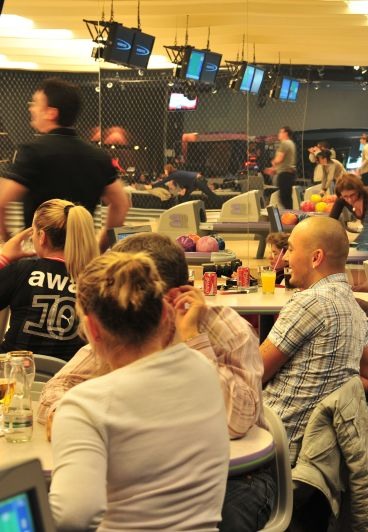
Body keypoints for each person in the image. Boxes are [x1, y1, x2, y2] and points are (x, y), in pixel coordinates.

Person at [38, 232, 272, 532]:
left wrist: (192, 338)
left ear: (173, 298)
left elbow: (236, 422)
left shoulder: (223, 336)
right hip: (158, 477)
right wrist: (71, 423)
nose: (128, 304)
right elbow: (56, 389)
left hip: (239, 473)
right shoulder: (131, 330)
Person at [260, 216, 368, 463]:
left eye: (291, 250)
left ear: (316, 257)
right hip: (320, 452)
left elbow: (253, 373)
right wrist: (327, 386)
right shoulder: (354, 307)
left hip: (275, 447)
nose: (286, 258)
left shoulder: (309, 302)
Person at [0, 77, 130, 251]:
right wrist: (99, 247)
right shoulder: (99, 156)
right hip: (80, 254)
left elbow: (1, 202)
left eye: (36, 103)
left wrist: (8, 244)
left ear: (51, 113)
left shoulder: (31, 152)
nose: (31, 108)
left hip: (39, 254)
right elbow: (121, 204)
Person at [0, 199, 98, 361]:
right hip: (67, 373)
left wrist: (4, 258)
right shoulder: (94, 281)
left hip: (13, 370)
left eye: (34, 232)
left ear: (42, 237)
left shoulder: (22, 270)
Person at [148, 163, 220, 207]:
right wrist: (184, 190)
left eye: (165, 170)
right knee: (185, 197)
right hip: (193, 182)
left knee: (209, 193)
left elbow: (163, 181)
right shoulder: (176, 174)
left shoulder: (173, 175)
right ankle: (185, 209)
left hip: (197, 180)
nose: (165, 172)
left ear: (168, 170)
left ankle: (222, 203)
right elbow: (185, 182)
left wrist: (152, 186)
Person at [265, 126, 297, 209]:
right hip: (288, 173)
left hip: (284, 174)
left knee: (284, 198)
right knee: (286, 198)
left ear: (285, 133)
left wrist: (273, 162)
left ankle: (289, 214)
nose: (278, 134)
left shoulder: (285, 143)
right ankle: (290, 213)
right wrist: (274, 169)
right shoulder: (291, 143)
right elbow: (285, 162)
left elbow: (279, 159)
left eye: (280, 132)